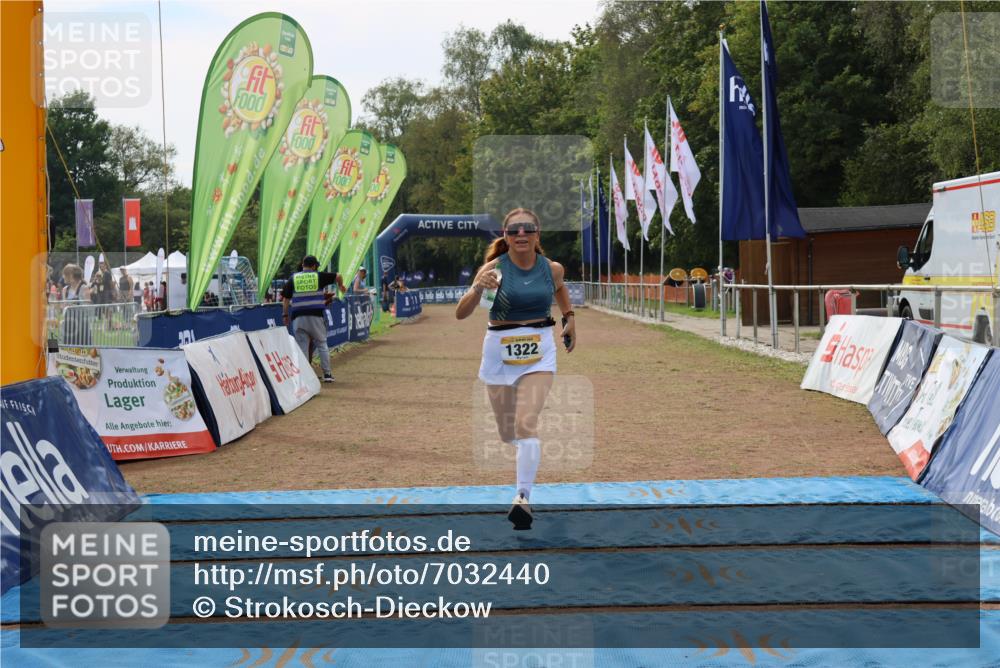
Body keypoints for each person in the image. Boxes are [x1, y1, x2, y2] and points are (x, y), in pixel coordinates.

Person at [455, 208, 577, 530]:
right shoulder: (493, 271)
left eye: (527, 229)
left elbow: (560, 287)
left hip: (540, 350)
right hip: (498, 352)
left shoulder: (551, 269)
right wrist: (478, 288)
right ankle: (524, 449)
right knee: (507, 432)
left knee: (525, 423)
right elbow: (461, 313)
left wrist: (569, 319)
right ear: (505, 237)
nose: (520, 235)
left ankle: (522, 498)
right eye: (513, 231)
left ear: (537, 235)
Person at [282, 255, 346, 383]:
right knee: (322, 344)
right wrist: (340, 286)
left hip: (298, 317)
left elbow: (286, 299)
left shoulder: (293, 278)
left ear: (302, 265)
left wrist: (285, 315)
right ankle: (327, 374)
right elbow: (338, 275)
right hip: (316, 316)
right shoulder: (318, 276)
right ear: (314, 266)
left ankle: (305, 377)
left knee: (302, 347)